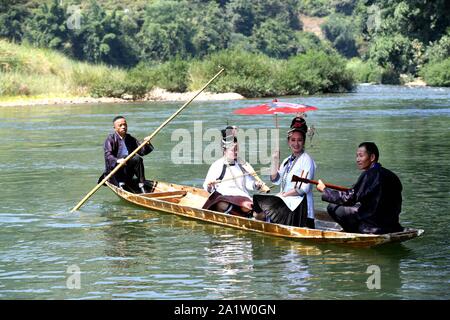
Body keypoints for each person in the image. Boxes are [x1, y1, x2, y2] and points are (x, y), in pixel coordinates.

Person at [316, 142, 403, 234]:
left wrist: (325, 190)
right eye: (357, 156)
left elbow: (349, 198)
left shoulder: (368, 174)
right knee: (357, 206)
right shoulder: (392, 175)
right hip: (392, 225)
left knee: (332, 207)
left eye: (361, 156)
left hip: (373, 226)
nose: (357, 159)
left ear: (372, 157)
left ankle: (353, 232)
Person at [252, 116, 316, 228]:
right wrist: (274, 160)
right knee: (257, 204)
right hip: (287, 204)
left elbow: (302, 189)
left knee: (259, 205)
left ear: (304, 141)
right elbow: (275, 180)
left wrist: (283, 195)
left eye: (299, 140)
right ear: (288, 141)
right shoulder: (287, 160)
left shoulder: (307, 160)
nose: (296, 144)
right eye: (293, 140)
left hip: (301, 210)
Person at [202, 128, 264, 217]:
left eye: (237, 149)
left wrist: (256, 184)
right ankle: (240, 214)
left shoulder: (242, 164)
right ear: (224, 150)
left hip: (242, 197)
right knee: (221, 204)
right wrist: (210, 185)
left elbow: (248, 183)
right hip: (225, 197)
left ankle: (246, 214)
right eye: (233, 150)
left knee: (254, 209)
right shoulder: (217, 165)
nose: (236, 152)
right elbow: (207, 186)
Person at [99, 116, 154, 193]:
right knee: (123, 158)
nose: (123, 127)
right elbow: (108, 155)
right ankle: (121, 183)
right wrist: (117, 160)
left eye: (125, 125)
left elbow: (142, 152)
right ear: (114, 128)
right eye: (120, 125)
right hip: (116, 172)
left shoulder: (130, 138)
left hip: (128, 171)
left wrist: (147, 143)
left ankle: (141, 183)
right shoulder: (110, 139)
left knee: (137, 159)